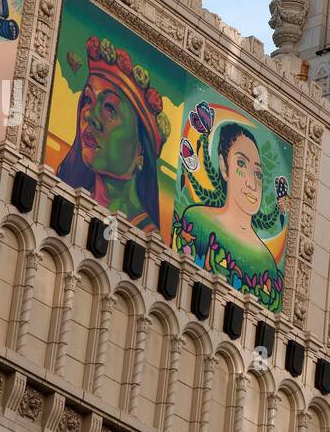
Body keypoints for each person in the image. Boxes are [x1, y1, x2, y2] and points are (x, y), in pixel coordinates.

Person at [57, 35, 169, 233]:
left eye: (110, 108)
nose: (90, 115)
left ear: (141, 148)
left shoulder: (148, 241)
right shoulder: (62, 196)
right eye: (88, 99)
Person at [176, 121, 288, 308]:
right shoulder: (196, 221)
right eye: (241, 164)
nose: (252, 184)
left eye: (258, 174)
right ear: (223, 166)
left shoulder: (267, 263)